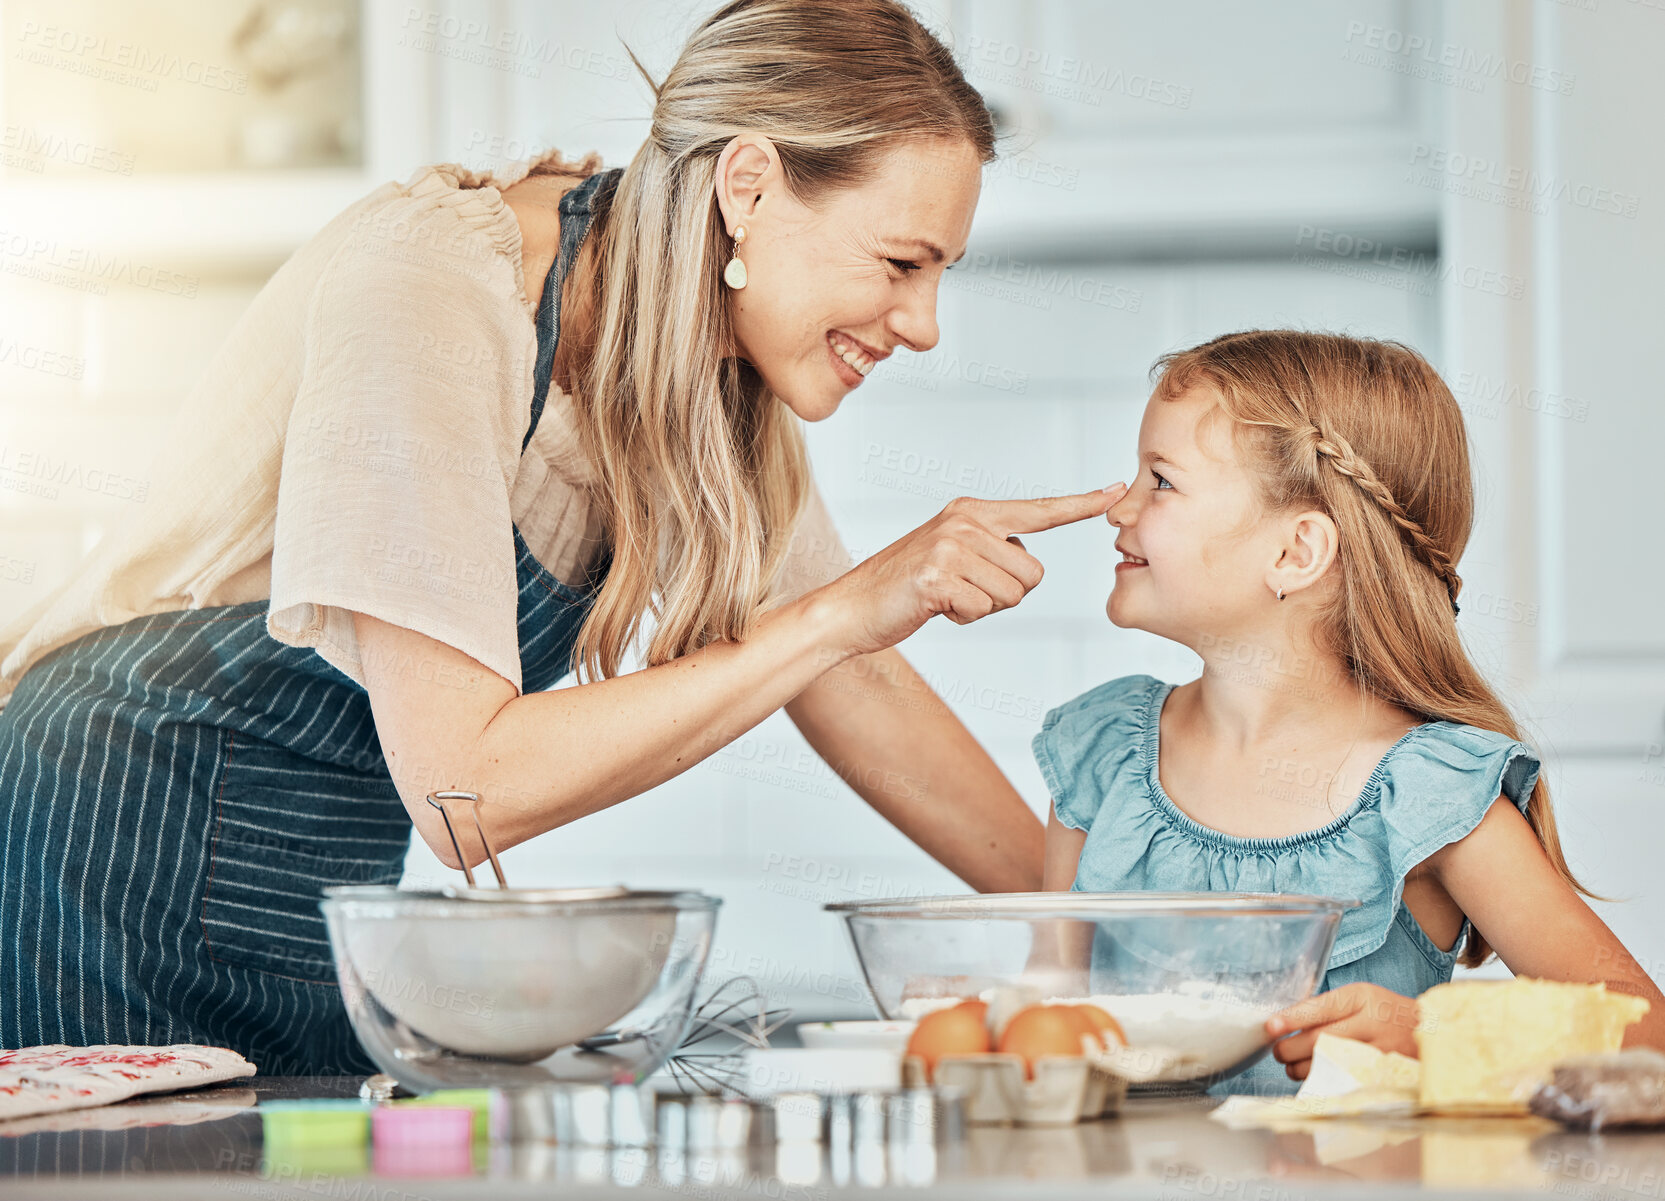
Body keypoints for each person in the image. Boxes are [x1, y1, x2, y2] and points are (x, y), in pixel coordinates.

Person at [0, 0, 1116, 1074]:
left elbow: (852, 672)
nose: (922, 325)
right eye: (901, 263)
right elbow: (463, 791)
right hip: (109, 833)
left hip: (316, 875)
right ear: (750, 184)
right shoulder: (436, 283)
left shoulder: (700, 360)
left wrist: (1094, 931)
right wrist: (834, 614)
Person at [1033, 330, 1665, 1097]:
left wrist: (1434, 1041)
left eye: (1160, 481)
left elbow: (1646, 1040)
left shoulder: (1429, 793)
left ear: (1296, 551)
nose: (1118, 506)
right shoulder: (1100, 752)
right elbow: (1046, 1014)